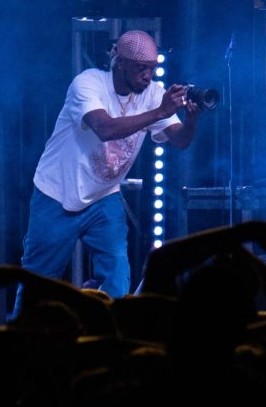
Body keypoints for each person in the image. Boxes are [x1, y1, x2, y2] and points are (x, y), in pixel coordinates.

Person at [17, 30, 203, 314]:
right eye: (142, 68)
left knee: (117, 278)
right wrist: (159, 112)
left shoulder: (153, 94)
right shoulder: (88, 83)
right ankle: (18, 340)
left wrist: (190, 120)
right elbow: (104, 129)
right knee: (37, 282)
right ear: (120, 63)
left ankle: (112, 340)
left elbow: (180, 140)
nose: (148, 76)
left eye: (153, 68)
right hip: (57, 193)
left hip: (104, 198)